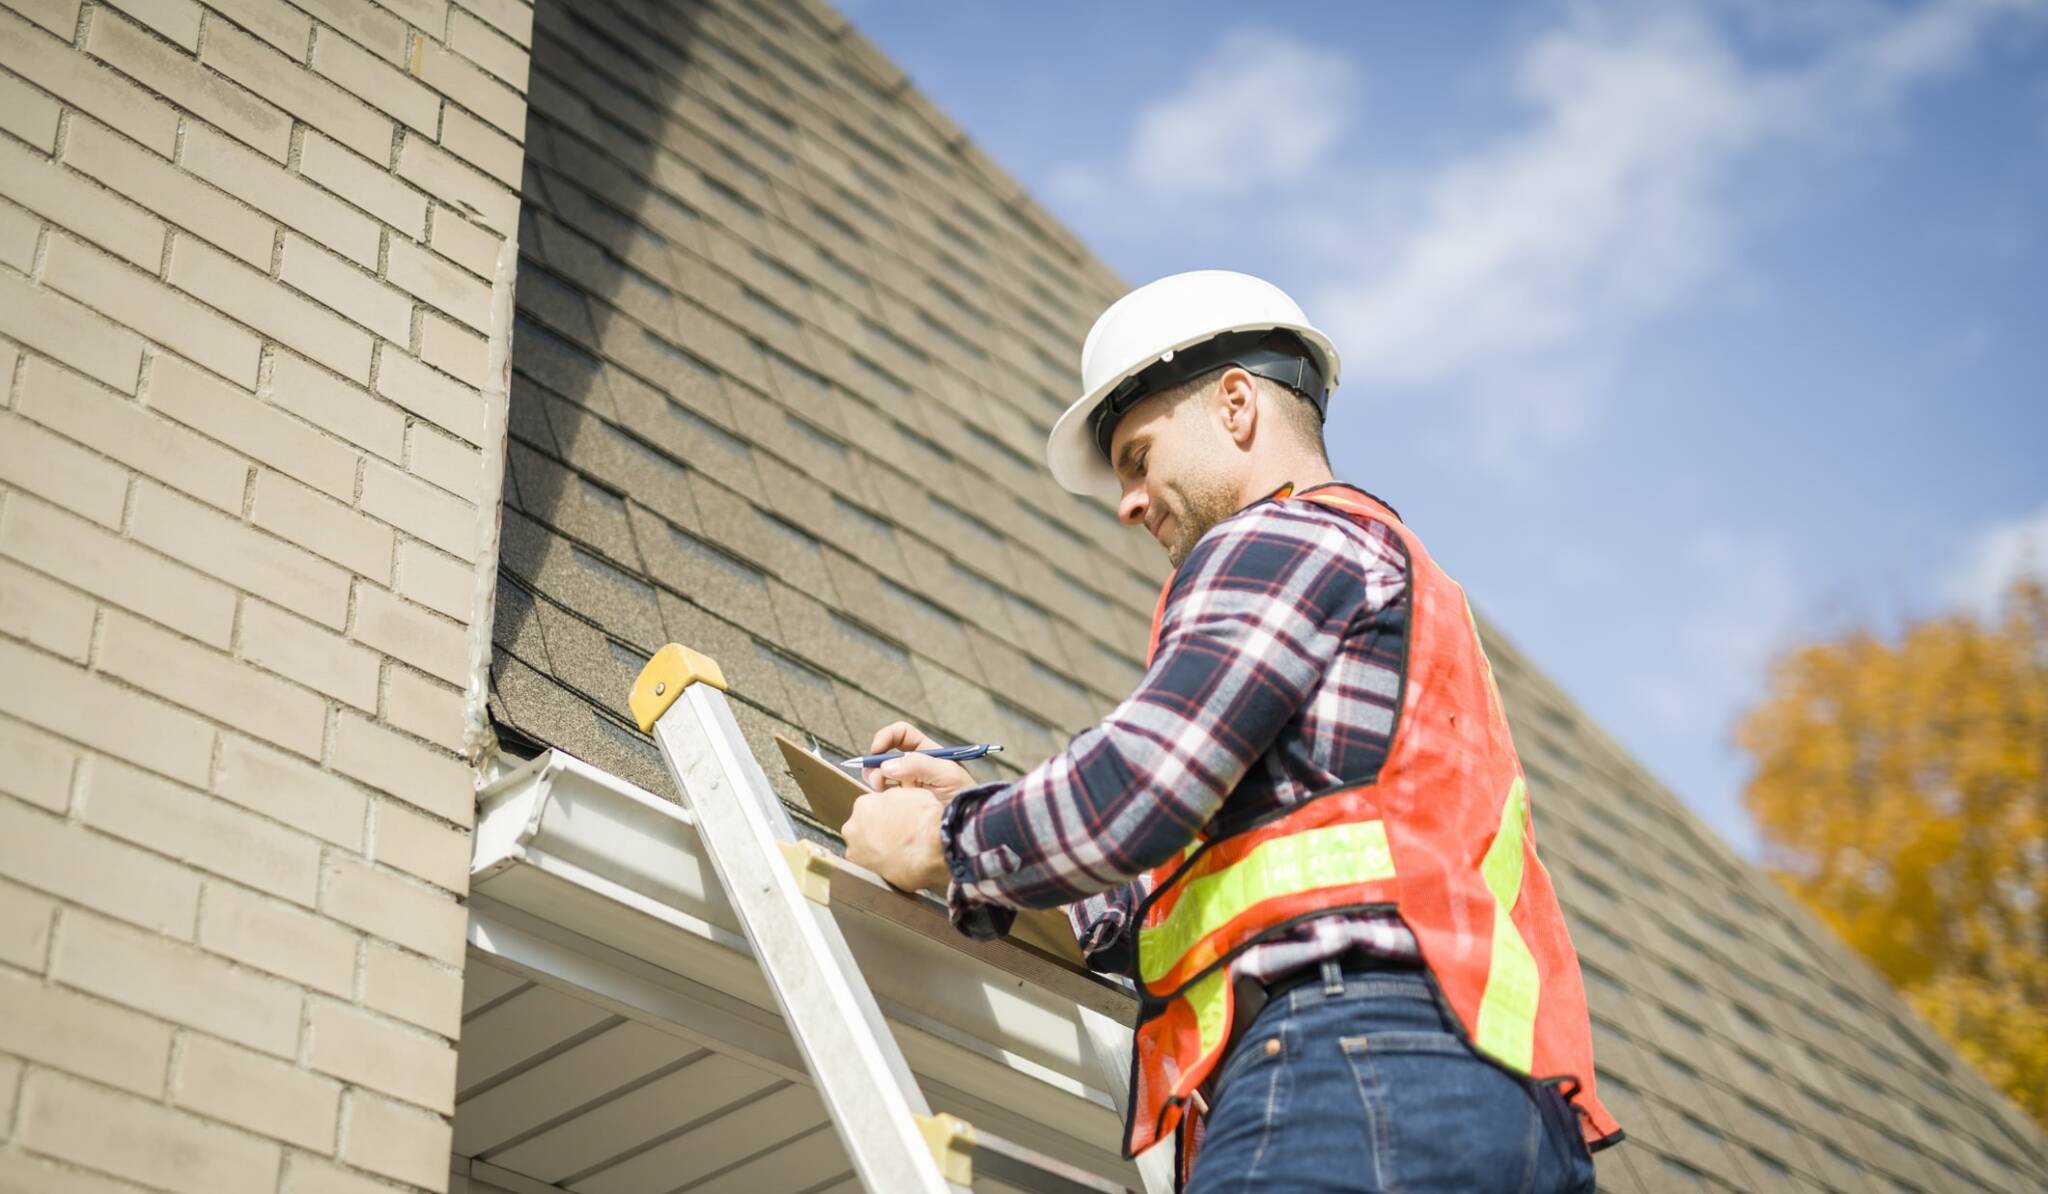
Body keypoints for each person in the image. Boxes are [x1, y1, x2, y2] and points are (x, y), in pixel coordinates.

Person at [843, 270, 1623, 1192]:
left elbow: (1141, 788)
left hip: (1351, 1069)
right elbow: (1176, 892)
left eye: (1137, 458)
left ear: (1238, 405)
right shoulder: (1405, 589)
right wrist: (989, 804)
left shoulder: (1278, 538)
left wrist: (942, 840)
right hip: (1501, 1116)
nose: (1129, 503)